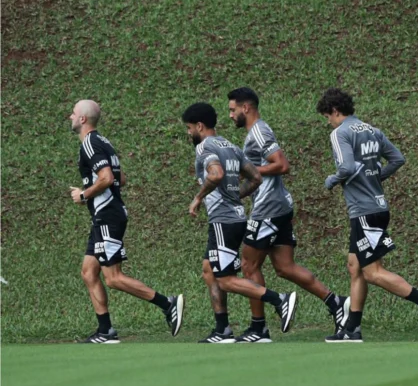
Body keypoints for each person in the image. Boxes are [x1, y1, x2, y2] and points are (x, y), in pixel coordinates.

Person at [318, 88, 418, 343]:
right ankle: (352, 329)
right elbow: (397, 159)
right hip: (377, 206)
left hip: (364, 210)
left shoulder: (339, 133)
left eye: (327, 116)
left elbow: (345, 167)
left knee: (372, 272)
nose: (328, 122)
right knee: (355, 267)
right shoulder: (372, 131)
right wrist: (375, 178)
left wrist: (332, 180)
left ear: (335, 111)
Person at [227, 87, 349, 344]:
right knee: (285, 267)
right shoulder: (255, 132)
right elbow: (260, 175)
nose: (230, 115)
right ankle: (337, 303)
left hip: (269, 208)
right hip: (277, 205)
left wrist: (247, 168)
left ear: (245, 108)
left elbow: (282, 164)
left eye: (232, 109)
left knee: (249, 265)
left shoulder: (259, 131)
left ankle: (258, 328)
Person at [70, 100, 184, 344]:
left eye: (73, 113)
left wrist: (84, 194)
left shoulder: (90, 144)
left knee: (113, 277)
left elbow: (108, 178)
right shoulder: (103, 142)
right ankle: (105, 331)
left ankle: (167, 303)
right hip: (105, 214)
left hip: (107, 216)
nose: (70, 116)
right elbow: (122, 177)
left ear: (82, 119)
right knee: (89, 272)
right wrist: (92, 191)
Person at [182, 102, 296, 344]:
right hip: (235, 218)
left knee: (225, 279)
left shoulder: (205, 147)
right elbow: (255, 177)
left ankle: (279, 299)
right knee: (209, 269)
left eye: (189, 128)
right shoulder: (230, 146)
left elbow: (215, 174)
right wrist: (235, 196)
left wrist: (198, 198)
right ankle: (222, 329)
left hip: (223, 221)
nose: (188, 133)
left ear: (199, 126)